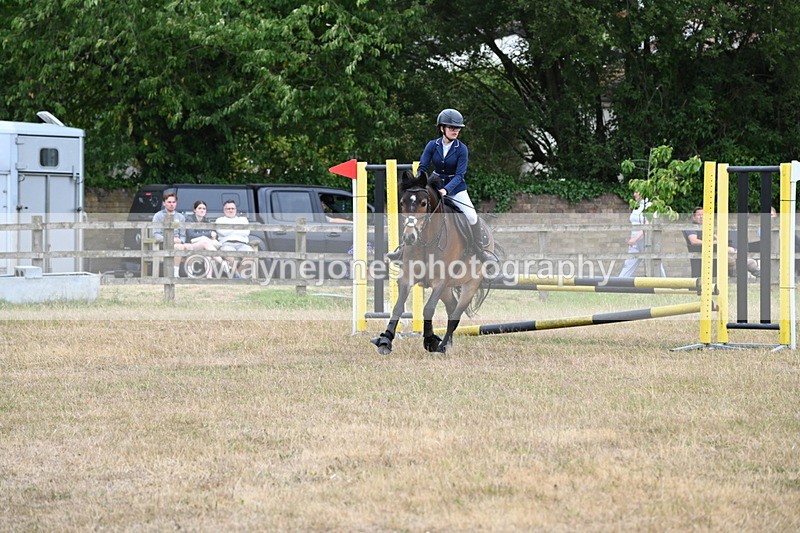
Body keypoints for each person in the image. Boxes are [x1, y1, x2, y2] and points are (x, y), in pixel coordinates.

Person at [386, 108, 494, 263]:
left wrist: (447, 189)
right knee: (415, 213)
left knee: (471, 216)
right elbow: (423, 167)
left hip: (456, 188)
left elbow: (459, 175)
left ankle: (480, 251)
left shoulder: (461, 149)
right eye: (451, 128)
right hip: (434, 185)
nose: (455, 131)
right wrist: (420, 184)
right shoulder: (432, 145)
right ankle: (402, 249)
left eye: (457, 128)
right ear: (442, 128)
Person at [683, 207, 759, 278]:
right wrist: (713, 242)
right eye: (699, 215)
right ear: (693, 217)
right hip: (704, 252)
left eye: (703, 215)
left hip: (715, 251)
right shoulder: (691, 228)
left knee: (735, 254)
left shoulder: (706, 228)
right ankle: (742, 269)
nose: (701, 217)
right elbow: (693, 241)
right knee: (731, 252)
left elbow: (717, 239)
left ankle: (749, 270)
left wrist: (718, 240)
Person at [617, 191, 666, 278]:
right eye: (634, 192)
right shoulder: (636, 206)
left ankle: (665, 284)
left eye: (637, 192)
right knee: (628, 264)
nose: (634, 194)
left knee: (655, 264)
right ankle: (619, 283)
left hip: (646, 240)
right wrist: (634, 239)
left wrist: (635, 238)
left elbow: (648, 224)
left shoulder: (650, 205)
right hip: (635, 242)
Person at [152, 192, 190, 277]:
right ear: (164, 203)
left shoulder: (181, 217)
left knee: (190, 247)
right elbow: (156, 234)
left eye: (173, 202)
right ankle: (175, 273)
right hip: (163, 244)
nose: (171, 204)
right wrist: (171, 240)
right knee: (179, 247)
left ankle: (191, 273)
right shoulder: (158, 216)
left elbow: (183, 235)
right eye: (169, 202)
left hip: (178, 243)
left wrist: (181, 241)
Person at [215, 200, 254, 276]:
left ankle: (237, 275)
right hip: (227, 244)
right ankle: (237, 275)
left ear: (236, 210)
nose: (230, 210)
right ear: (224, 210)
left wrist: (229, 229)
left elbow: (246, 232)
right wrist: (238, 229)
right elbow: (223, 232)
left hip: (242, 244)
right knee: (229, 256)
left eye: (232, 208)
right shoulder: (220, 220)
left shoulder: (243, 220)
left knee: (251, 255)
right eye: (228, 209)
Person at [185, 200, 222, 277]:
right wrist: (208, 234)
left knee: (208, 254)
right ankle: (223, 263)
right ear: (194, 210)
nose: (202, 210)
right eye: (199, 208)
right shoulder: (189, 219)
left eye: (204, 208)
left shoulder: (207, 221)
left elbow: (214, 235)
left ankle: (209, 277)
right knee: (204, 242)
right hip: (191, 246)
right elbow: (191, 235)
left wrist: (213, 234)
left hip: (204, 248)